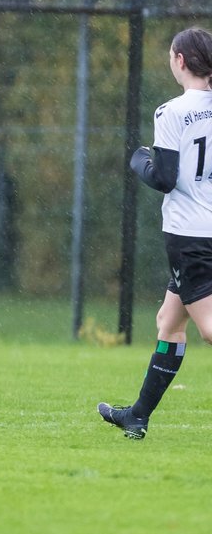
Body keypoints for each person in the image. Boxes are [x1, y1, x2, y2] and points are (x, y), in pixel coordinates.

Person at [99, 27, 212, 439]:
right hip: (208, 228)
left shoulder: (172, 111)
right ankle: (138, 416)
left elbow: (163, 178)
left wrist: (137, 159)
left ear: (179, 60)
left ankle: (138, 416)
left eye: (170, 55)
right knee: (168, 321)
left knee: (209, 329)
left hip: (189, 234)